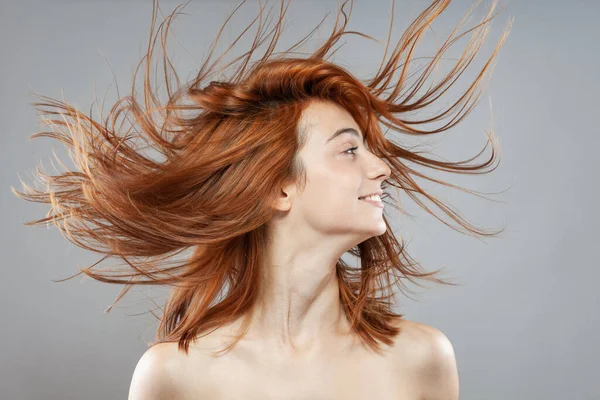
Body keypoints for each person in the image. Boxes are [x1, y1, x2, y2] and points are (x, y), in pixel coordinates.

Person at [12, 0, 511, 398]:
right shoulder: (174, 377)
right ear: (279, 188)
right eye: (348, 150)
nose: (380, 167)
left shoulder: (422, 359)